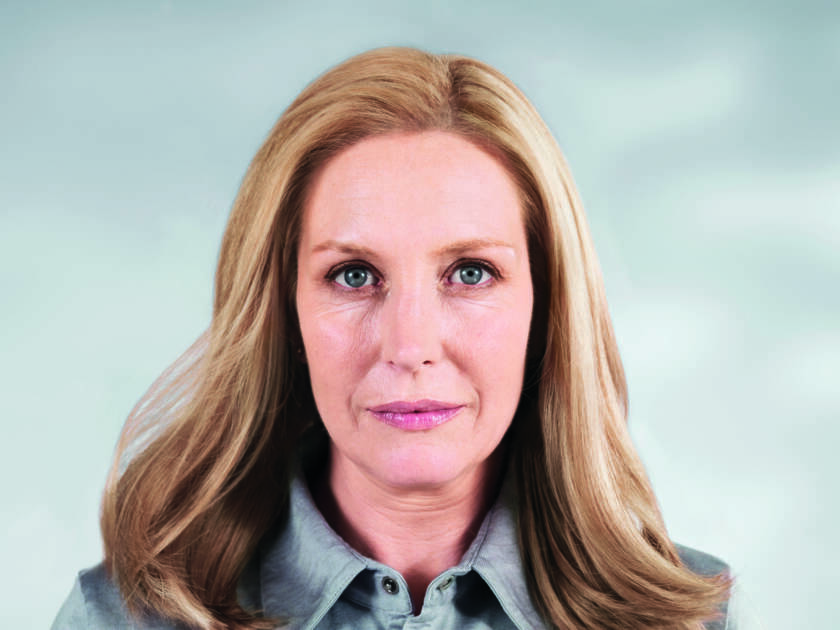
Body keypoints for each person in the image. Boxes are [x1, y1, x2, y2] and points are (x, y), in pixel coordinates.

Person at [53, 47, 734, 630]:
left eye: (471, 272)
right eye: (354, 275)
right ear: (283, 311)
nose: (409, 346)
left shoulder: (689, 619)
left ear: (548, 306)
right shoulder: (123, 619)